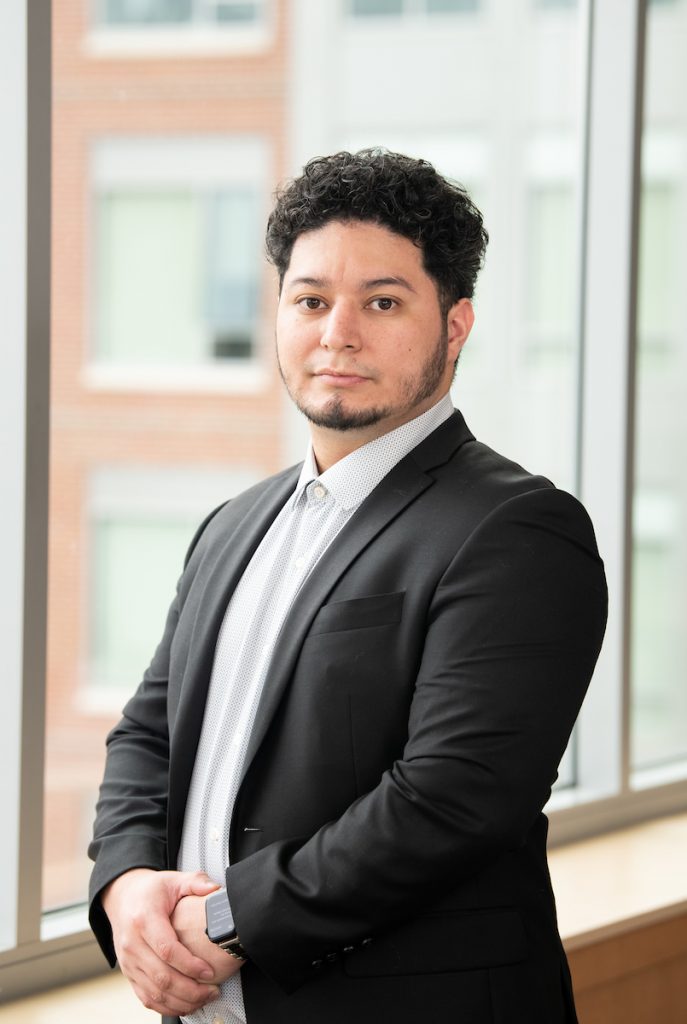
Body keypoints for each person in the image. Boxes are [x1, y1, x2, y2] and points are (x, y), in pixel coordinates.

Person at [88, 148, 607, 1024]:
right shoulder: (234, 524)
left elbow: (453, 798)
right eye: (311, 300)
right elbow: (148, 732)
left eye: (383, 301)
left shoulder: (517, 529)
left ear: (455, 324)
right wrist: (128, 882)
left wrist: (223, 920)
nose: (337, 333)